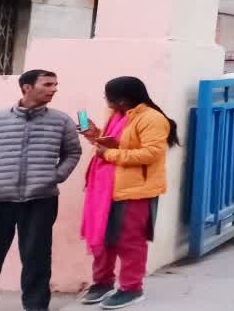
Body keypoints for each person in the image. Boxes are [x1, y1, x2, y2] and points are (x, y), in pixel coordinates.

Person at [0, 69, 81, 311]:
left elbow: (72, 153)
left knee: (37, 259)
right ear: (27, 87)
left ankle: (36, 307)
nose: (54, 89)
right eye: (47, 84)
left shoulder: (61, 121)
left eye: (55, 84)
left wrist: (55, 176)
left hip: (41, 200)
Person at [78, 76, 179, 309]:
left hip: (134, 190)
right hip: (103, 188)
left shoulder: (152, 119)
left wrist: (109, 155)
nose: (106, 101)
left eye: (108, 97)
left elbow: (150, 153)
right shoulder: (117, 115)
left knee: (129, 241)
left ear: (122, 100)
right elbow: (114, 143)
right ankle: (102, 282)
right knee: (103, 237)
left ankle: (132, 288)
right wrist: (94, 134)